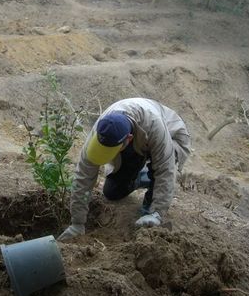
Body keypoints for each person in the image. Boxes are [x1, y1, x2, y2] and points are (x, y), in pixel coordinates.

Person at [58, 98, 192, 240]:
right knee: (112, 192)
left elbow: (166, 169)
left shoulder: (154, 125)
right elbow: (83, 175)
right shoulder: (103, 128)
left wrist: (156, 213)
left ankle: (150, 198)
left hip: (171, 135)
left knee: (158, 173)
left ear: (128, 139)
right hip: (138, 142)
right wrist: (77, 223)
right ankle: (142, 176)